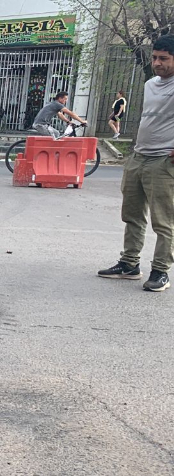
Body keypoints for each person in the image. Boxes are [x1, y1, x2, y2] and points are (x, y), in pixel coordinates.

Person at [97, 35, 174, 292]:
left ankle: (161, 271)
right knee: (132, 214)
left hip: (164, 160)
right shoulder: (151, 84)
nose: (157, 63)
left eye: (164, 58)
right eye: (154, 57)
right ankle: (129, 264)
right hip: (139, 156)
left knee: (163, 221)